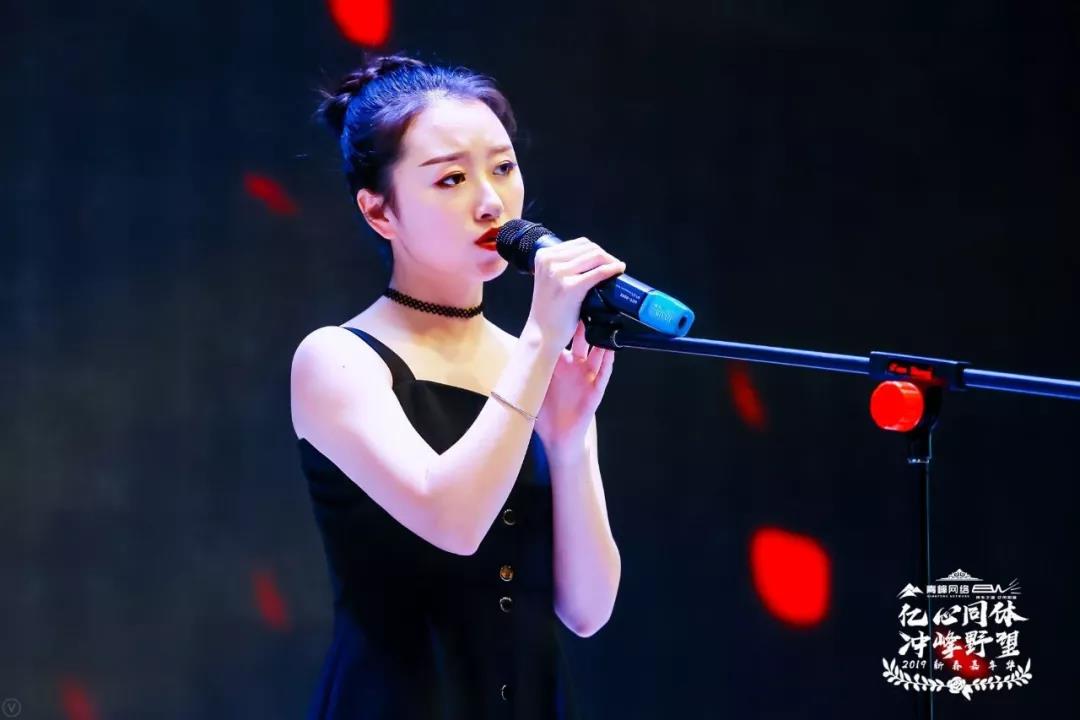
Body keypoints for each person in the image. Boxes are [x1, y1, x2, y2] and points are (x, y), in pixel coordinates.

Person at [290, 52, 625, 719]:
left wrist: (569, 441)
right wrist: (540, 342)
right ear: (379, 212)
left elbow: (588, 610)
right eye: (451, 179)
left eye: (503, 167)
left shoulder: (531, 360)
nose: (491, 203)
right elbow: (453, 523)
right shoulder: (337, 358)